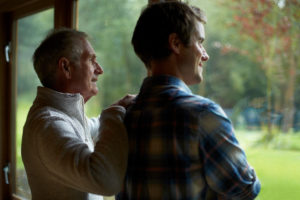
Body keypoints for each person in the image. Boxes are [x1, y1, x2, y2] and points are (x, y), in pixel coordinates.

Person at [117, 1, 261, 200]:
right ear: (175, 43)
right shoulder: (203, 114)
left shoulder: (122, 115)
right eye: (200, 42)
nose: (205, 55)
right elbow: (245, 189)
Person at [22, 28, 134, 200]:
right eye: (91, 60)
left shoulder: (60, 117)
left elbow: (91, 127)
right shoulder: (48, 124)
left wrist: (118, 107)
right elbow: (104, 180)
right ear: (66, 67)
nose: (100, 69)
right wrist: (113, 115)